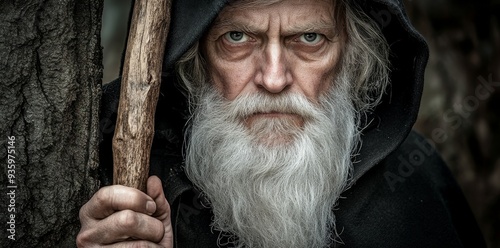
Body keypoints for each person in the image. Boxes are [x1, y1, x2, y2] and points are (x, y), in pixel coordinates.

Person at [77, 0, 487, 247]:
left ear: (353, 57)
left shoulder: (414, 180)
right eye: (237, 38)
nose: (273, 79)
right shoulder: (127, 186)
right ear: (194, 59)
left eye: (309, 39)